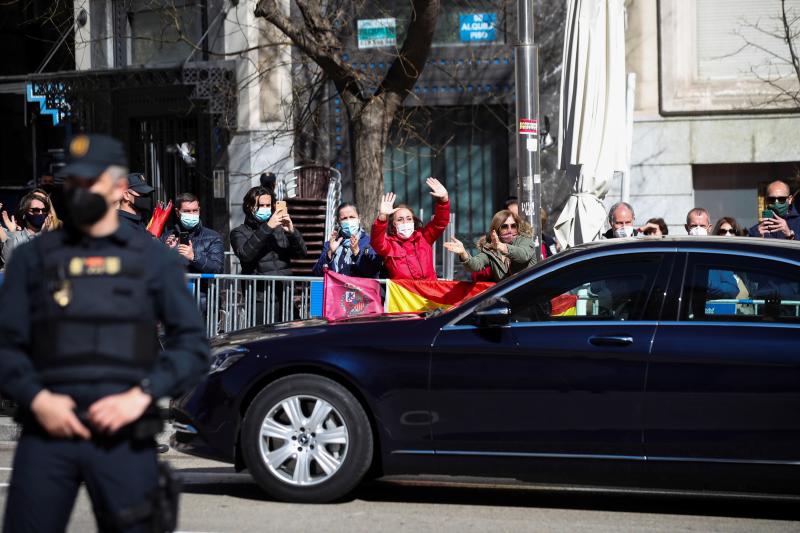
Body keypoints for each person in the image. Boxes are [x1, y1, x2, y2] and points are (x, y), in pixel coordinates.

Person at [0, 134, 208, 532]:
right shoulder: (34, 258)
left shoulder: (151, 259)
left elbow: (192, 346)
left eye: (91, 181)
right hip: (49, 430)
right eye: (73, 182)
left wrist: (142, 395)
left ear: (117, 188)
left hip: (123, 433)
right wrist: (37, 398)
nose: (81, 191)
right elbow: (6, 344)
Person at [371, 177, 450, 280]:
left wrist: (444, 200)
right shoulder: (389, 245)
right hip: (404, 295)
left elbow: (440, 222)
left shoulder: (424, 237)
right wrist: (382, 217)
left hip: (430, 293)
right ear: (394, 224)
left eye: (409, 219)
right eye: (400, 219)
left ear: (413, 221)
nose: (405, 222)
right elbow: (377, 242)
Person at [230, 186, 307, 276]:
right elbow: (245, 255)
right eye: (261, 205)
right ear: (249, 206)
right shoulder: (239, 232)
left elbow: (302, 254)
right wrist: (267, 227)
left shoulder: (280, 229)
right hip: (258, 288)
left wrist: (292, 232)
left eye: (268, 205)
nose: (265, 208)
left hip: (284, 287)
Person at [445, 209, 536, 282]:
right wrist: (463, 253)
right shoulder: (490, 249)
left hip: (530, 297)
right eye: (504, 227)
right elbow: (475, 265)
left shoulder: (525, 241)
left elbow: (523, 255)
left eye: (513, 226)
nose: (510, 230)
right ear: (496, 230)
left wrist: (501, 246)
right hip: (509, 297)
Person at [312, 202, 382, 277]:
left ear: (359, 218)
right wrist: (329, 253)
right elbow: (317, 274)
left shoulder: (369, 243)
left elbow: (373, 273)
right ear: (338, 222)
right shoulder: (330, 244)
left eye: (352, 217)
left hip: (360, 288)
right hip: (336, 288)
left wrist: (357, 253)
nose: (349, 221)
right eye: (344, 218)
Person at [162, 192, 224, 274]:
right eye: (187, 211)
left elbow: (217, 268)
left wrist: (194, 256)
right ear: (177, 212)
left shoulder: (213, 237)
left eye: (195, 210)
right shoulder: (166, 237)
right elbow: (153, 267)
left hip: (201, 286)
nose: (192, 214)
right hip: (174, 286)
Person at [1, 191, 53, 266]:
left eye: (44, 210)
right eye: (36, 210)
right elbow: (7, 260)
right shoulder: (15, 238)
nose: (41, 213)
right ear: (24, 213)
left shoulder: (52, 237)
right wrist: (11, 233)